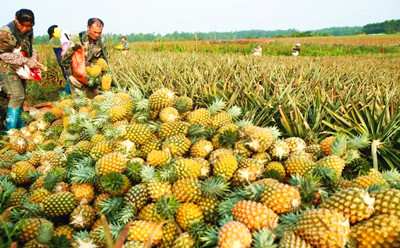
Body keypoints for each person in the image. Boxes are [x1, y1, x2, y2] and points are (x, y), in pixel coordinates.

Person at [0, 9, 38, 132]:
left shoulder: (29, 31)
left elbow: (30, 47)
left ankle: (20, 128)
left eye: (29, 26)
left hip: (20, 67)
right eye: (23, 25)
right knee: (17, 95)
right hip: (5, 66)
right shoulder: (5, 32)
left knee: (21, 96)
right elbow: (3, 54)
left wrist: (33, 57)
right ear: (16, 20)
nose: (25, 29)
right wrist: (26, 61)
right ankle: (10, 132)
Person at [62, 18, 108, 99]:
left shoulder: (101, 40)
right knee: (79, 103)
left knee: (94, 103)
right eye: (95, 32)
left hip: (92, 78)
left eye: (99, 32)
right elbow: (66, 59)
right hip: (77, 77)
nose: (97, 35)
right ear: (88, 27)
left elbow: (104, 59)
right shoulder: (77, 39)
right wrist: (70, 76)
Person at [47, 25, 72, 94]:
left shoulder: (63, 35)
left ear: (54, 32)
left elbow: (66, 45)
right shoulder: (65, 32)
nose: (54, 37)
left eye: (52, 35)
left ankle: (67, 92)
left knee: (69, 74)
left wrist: (63, 55)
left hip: (71, 55)